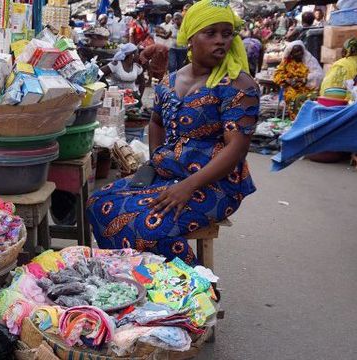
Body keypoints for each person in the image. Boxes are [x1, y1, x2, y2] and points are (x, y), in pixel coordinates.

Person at [87, 0, 259, 264]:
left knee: (147, 226)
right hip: (169, 173)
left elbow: (236, 148)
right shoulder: (171, 80)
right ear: (190, 37)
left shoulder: (238, 85)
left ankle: (193, 289)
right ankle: (134, 279)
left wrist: (188, 187)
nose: (221, 41)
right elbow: (156, 122)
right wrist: (157, 160)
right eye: (210, 33)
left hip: (214, 184)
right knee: (97, 204)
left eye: (227, 33)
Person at [273, 40, 324, 120]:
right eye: (296, 52)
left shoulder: (309, 60)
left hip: (307, 87)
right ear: (291, 54)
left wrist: (304, 79)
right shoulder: (287, 63)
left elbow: (319, 75)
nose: (299, 53)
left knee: (316, 96)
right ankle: (296, 119)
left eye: (300, 51)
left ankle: (308, 118)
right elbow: (277, 75)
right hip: (292, 89)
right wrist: (288, 80)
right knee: (293, 97)